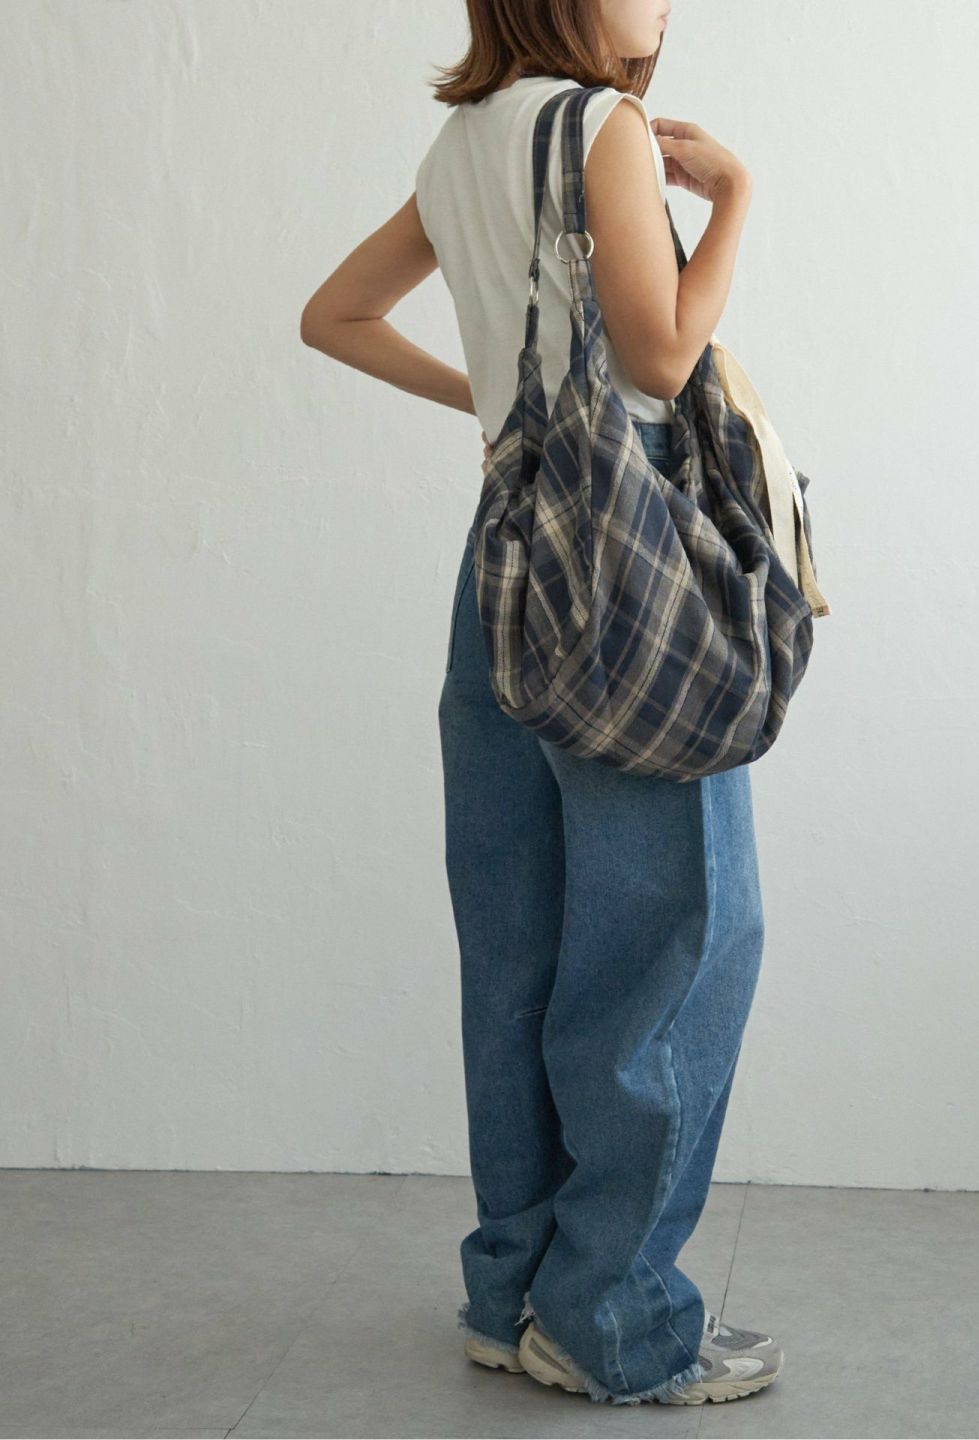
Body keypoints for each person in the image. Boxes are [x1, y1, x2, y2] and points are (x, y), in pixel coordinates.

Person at [299, 0, 782, 1408]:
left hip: (504, 562)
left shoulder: (462, 143)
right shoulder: (602, 125)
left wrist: (503, 409)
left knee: (517, 937)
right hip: (625, 572)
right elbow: (662, 359)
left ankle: (513, 1291)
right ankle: (612, 1318)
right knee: (676, 938)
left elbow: (334, 317)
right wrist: (736, 203)